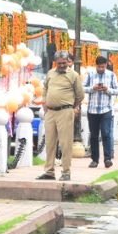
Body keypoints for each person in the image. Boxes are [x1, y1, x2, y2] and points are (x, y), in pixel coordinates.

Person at [37, 50, 84, 182]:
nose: (62, 65)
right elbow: (45, 88)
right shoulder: (50, 73)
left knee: (65, 143)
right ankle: (49, 171)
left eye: (64, 63)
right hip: (50, 112)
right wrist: (45, 102)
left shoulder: (73, 75)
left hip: (65, 111)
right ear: (55, 63)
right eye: (59, 63)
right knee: (50, 143)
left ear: (68, 61)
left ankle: (66, 171)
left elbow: (80, 95)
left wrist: (70, 106)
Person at [83, 55, 118, 169]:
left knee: (106, 133)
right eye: (99, 67)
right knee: (93, 135)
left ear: (106, 65)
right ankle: (94, 160)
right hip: (92, 109)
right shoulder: (90, 74)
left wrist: (107, 90)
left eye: (103, 67)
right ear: (96, 65)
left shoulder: (111, 75)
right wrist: (92, 88)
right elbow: (82, 88)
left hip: (106, 109)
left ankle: (107, 159)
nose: (101, 69)